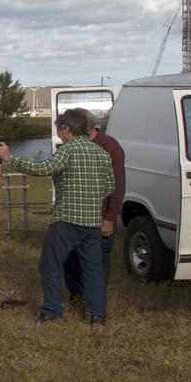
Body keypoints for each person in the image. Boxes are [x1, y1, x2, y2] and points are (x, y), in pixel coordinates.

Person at [0, 108, 114, 324]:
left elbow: (44, 168)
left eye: (59, 129)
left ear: (67, 129)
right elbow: (109, 187)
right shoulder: (102, 153)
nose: (58, 133)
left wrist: (9, 157)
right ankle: (97, 315)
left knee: (50, 265)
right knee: (93, 269)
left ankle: (52, 312)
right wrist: (89, 197)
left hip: (65, 221)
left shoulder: (67, 151)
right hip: (91, 224)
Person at [63, 112, 125, 302]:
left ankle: (94, 300)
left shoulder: (109, 146)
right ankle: (76, 293)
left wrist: (109, 219)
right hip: (74, 217)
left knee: (96, 261)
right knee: (70, 257)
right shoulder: (72, 145)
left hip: (99, 217)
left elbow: (117, 186)